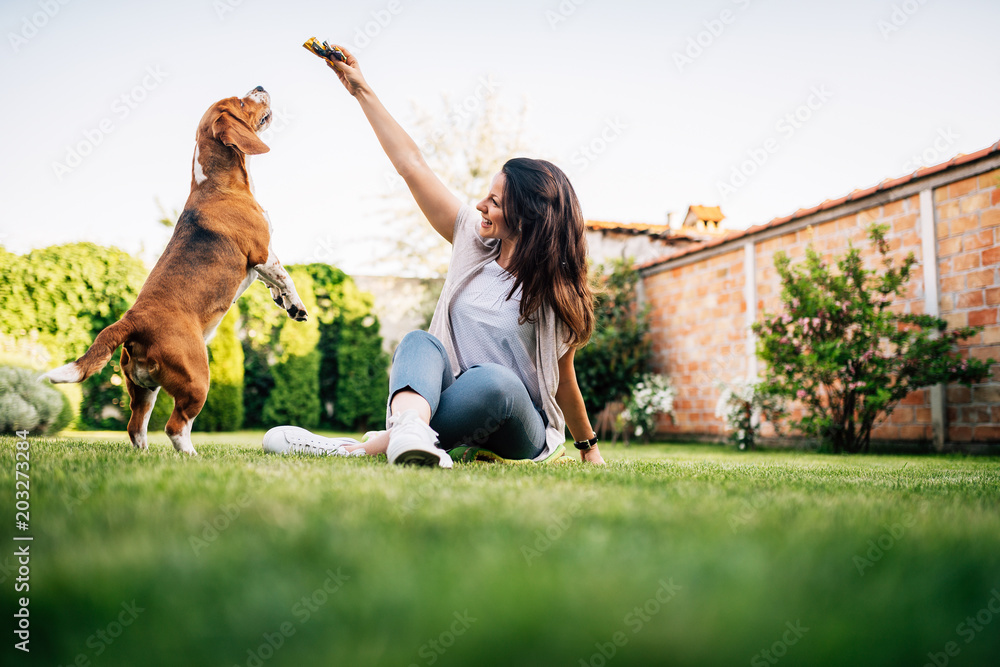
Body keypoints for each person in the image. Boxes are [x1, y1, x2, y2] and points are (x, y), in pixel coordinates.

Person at [263, 45, 604, 467]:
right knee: (419, 341)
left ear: (527, 218)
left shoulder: (554, 293)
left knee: (494, 382)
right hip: (453, 405)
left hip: (518, 426)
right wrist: (360, 89)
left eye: (495, 202)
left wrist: (589, 448)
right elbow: (413, 165)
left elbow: (563, 380)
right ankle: (409, 436)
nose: (480, 205)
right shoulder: (473, 244)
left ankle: (363, 446)